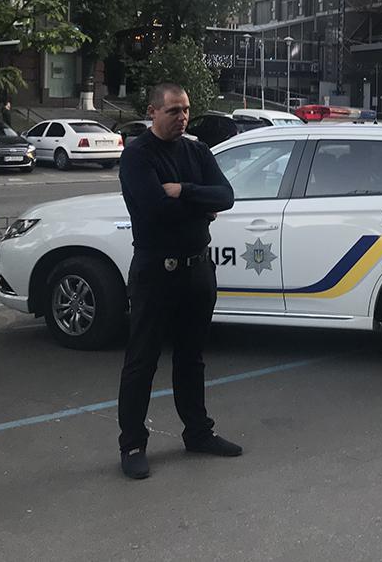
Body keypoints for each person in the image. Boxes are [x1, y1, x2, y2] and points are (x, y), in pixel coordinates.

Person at [116, 82, 240, 480]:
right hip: (156, 272)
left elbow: (226, 196)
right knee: (142, 360)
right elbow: (155, 210)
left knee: (191, 358)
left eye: (185, 109)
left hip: (197, 271)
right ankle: (132, 444)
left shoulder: (197, 151)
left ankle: (198, 433)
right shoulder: (138, 155)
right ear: (153, 111)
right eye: (173, 110)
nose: (182, 117)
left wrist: (184, 190)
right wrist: (202, 207)